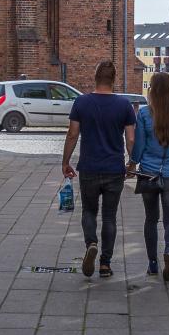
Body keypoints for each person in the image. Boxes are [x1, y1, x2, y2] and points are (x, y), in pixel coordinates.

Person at [62, 61, 135, 278]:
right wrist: (132, 162)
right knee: (110, 217)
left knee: (89, 211)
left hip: (89, 168)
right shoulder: (124, 105)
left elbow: (72, 134)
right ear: (114, 79)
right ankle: (105, 263)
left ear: (95, 78)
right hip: (114, 169)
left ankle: (91, 243)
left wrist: (65, 162)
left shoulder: (81, 102)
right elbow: (130, 138)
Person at [129, 72, 169, 281]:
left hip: (148, 173)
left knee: (150, 219)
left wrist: (132, 163)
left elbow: (138, 145)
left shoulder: (145, 113)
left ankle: (153, 263)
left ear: (152, 91)